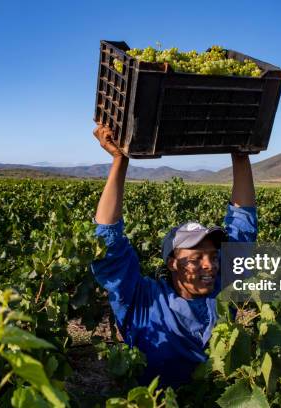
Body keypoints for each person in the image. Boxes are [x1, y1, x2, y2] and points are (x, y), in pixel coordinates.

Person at [90, 124, 257, 388]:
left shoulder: (222, 291)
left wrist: (241, 154)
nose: (210, 266)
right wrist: (120, 160)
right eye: (196, 258)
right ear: (172, 263)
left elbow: (242, 226)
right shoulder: (143, 301)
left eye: (214, 256)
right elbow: (107, 242)